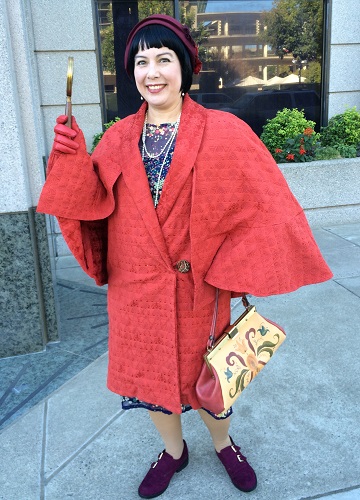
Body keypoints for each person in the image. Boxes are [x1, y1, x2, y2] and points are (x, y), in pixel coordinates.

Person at [37, 14, 332, 499]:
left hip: (201, 288)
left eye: (163, 59)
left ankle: (223, 444)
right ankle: (174, 452)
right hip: (137, 290)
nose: (152, 72)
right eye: (141, 61)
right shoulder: (115, 139)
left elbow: (266, 204)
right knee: (153, 381)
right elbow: (88, 205)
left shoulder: (225, 131)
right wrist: (68, 160)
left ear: (185, 67)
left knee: (211, 379)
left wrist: (236, 265)